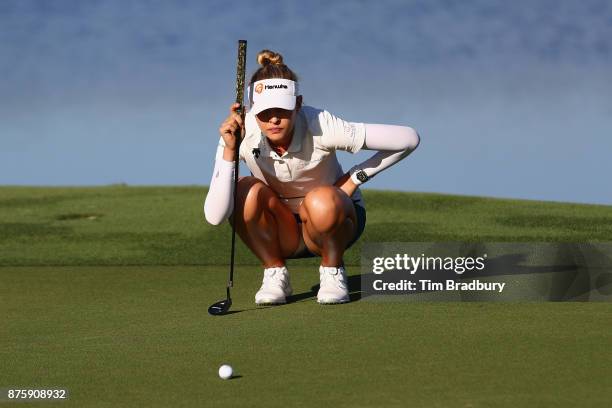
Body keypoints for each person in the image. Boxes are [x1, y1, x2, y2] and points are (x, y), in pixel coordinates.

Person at [204, 49, 420, 305]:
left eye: (282, 110)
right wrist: (229, 148)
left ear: (298, 104)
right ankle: (275, 274)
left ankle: (332, 270)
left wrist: (353, 178)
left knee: (322, 199)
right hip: (279, 229)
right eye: (264, 112)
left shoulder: (321, 123)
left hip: (333, 222)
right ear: (251, 109)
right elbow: (215, 216)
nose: (273, 119)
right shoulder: (239, 131)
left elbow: (408, 139)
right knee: (243, 190)